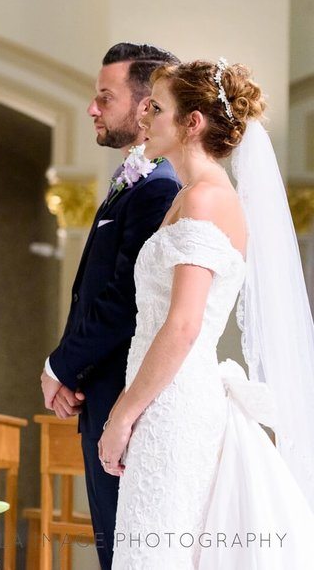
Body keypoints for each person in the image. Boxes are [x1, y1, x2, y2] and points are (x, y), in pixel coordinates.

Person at [99, 59, 314, 567]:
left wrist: (122, 416)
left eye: (156, 107)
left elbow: (183, 324)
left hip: (172, 403)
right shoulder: (191, 197)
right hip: (166, 397)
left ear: (191, 122)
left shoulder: (206, 201)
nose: (144, 117)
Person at [41, 43, 181, 568]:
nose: (91, 108)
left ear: (147, 107)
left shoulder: (158, 189)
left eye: (105, 96)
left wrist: (61, 365)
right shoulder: (133, 183)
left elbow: (123, 301)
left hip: (130, 402)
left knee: (128, 549)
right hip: (102, 391)